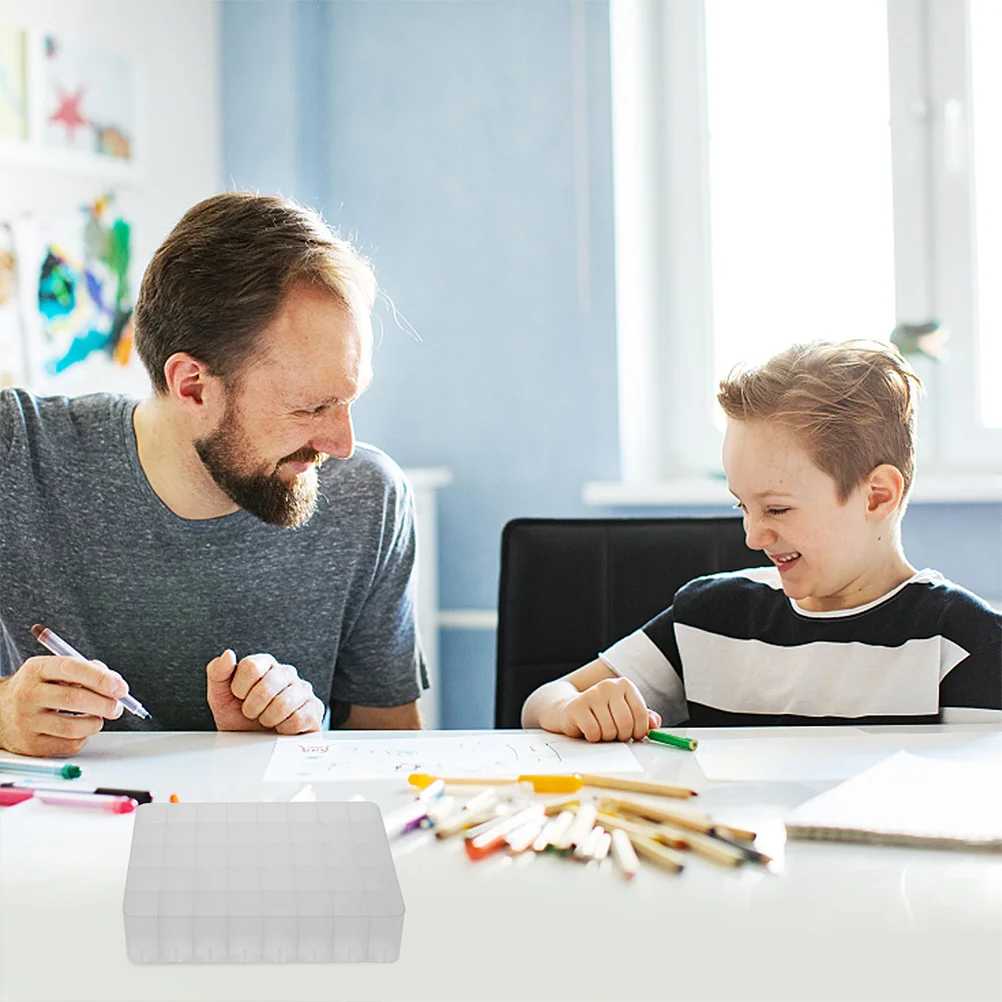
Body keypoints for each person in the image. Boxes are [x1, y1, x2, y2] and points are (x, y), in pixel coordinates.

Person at [0, 192, 427, 757]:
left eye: (348, 399)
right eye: (308, 408)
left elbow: (394, 752)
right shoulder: (17, 451)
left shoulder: (368, 499)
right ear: (193, 387)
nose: (343, 444)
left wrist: (294, 746)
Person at [523, 340, 1002, 740]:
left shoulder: (963, 642)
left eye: (776, 509)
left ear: (876, 495)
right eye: (742, 506)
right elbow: (542, 701)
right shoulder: (713, 616)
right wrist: (573, 710)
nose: (753, 536)